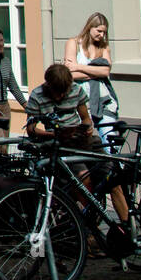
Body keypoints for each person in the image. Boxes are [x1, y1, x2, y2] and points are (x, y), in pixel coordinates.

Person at [25, 63, 130, 240]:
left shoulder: (75, 90)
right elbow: (31, 128)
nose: (62, 96)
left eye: (64, 92)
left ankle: (127, 232)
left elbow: (85, 118)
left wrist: (87, 127)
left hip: (82, 140)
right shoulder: (37, 95)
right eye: (58, 92)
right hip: (60, 145)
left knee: (113, 179)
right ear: (49, 86)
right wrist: (51, 134)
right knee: (83, 177)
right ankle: (89, 232)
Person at [64, 12, 119, 150]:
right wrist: (95, 72)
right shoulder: (74, 43)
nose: (102, 35)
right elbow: (70, 75)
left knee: (110, 142)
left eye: (104, 32)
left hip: (103, 101)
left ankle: (116, 170)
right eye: (99, 31)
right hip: (80, 102)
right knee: (82, 144)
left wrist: (78, 66)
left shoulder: (104, 47)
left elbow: (106, 71)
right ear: (90, 27)